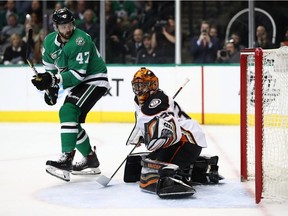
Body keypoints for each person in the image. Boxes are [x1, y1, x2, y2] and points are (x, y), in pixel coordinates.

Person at [31, 8, 110, 182]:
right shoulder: (50, 42)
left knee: (67, 111)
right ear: (55, 27)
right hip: (79, 85)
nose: (67, 29)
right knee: (70, 119)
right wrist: (49, 89)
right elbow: (50, 70)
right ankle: (90, 160)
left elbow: (77, 75)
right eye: (63, 26)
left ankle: (67, 159)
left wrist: (52, 81)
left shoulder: (80, 40)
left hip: (94, 80)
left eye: (69, 25)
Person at [126, 67, 217, 198]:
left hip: (188, 140)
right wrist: (142, 135)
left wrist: (149, 136)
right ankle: (191, 169)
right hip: (177, 140)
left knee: (159, 167)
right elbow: (144, 123)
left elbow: (168, 131)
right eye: (137, 85)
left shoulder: (158, 100)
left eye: (143, 85)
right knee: (151, 161)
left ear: (153, 85)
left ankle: (180, 175)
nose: (139, 89)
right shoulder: (140, 100)